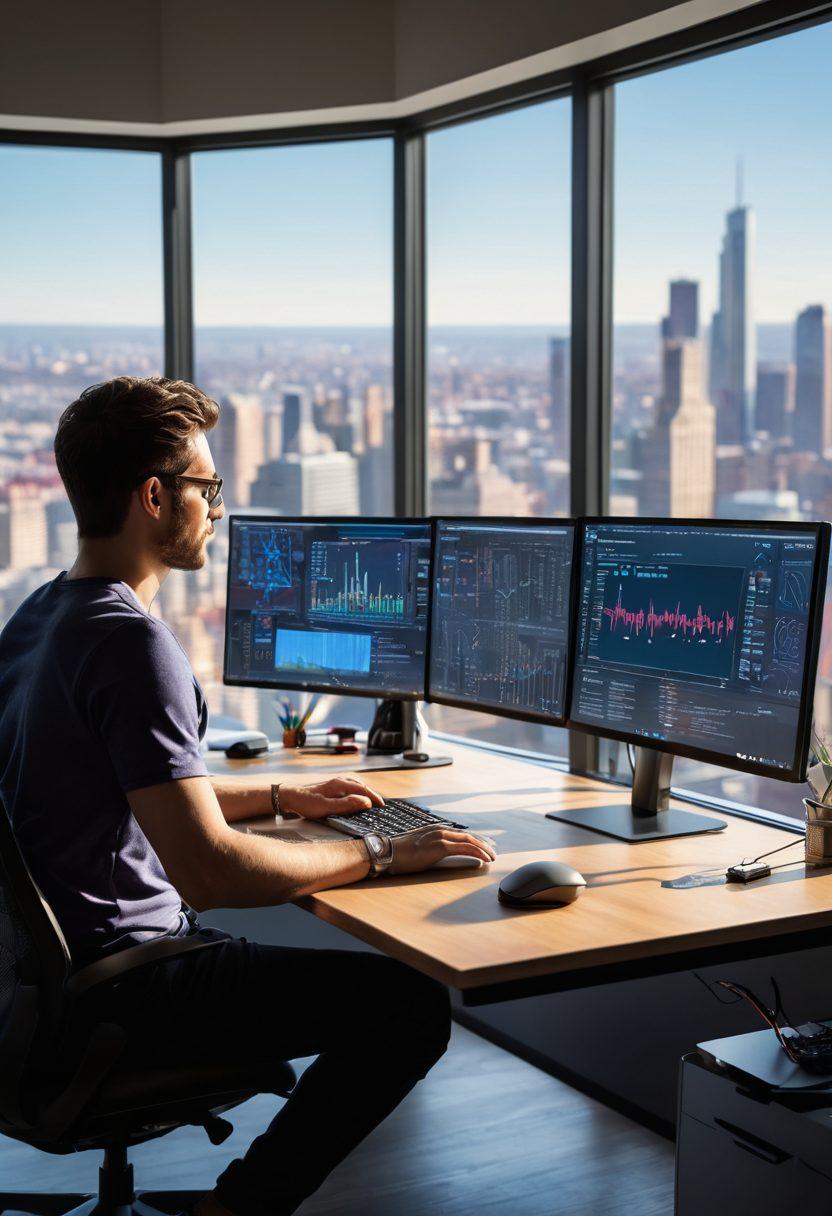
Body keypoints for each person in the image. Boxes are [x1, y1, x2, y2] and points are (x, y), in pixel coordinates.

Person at [0, 376, 496, 1216]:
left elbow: (115, 791)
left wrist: (275, 793)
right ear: (155, 498)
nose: (218, 508)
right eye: (208, 487)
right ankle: (234, 1212)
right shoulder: (129, 642)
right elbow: (210, 873)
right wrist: (378, 852)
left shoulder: (39, 616)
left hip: (41, 988)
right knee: (409, 1009)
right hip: (128, 986)